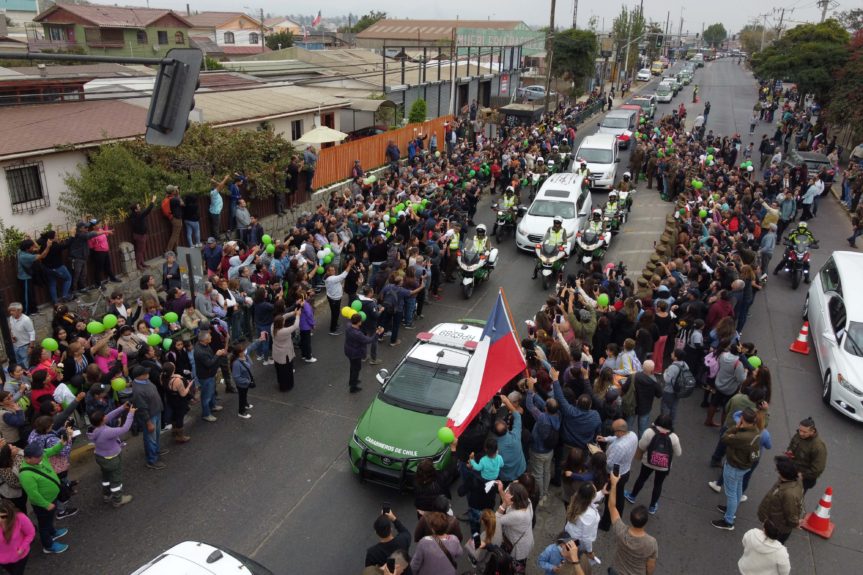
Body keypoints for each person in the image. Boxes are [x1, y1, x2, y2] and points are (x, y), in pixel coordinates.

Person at [713, 408, 762, 531]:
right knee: (737, 490)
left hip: (734, 466)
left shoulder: (742, 436)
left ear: (743, 420)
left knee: (731, 494)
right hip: (744, 466)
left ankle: (728, 521)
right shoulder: (756, 431)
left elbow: (724, 438)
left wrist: (736, 427)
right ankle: (731, 510)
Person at [19, 440, 71, 554]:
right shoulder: (25, 475)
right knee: (44, 525)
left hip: (51, 499)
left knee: (48, 521)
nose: (42, 457)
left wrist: (62, 443)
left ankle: (53, 532)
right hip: (43, 504)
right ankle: (48, 545)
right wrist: (46, 504)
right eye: (38, 457)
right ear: (28, 458)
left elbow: (53, 450)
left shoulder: (40, 457)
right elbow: (33, 494)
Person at [624, 414, 682, 514]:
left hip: (648, 461)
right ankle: (652, 506)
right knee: (658, 484)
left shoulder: (649, 432)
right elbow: (678, 453)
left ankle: (632, 496)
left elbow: (641, 446)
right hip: (664, 466)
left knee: (642, 478)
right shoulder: (674, 437)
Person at [607, 471, 658, 575]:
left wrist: (614, 484)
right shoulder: (651, 543)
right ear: (645, 522)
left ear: (631, 519)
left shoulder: (620, 530)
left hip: (617, 571)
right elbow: (650, 566)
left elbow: (612, 506)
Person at [87, 401, 136, 508]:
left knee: (106, 476)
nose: (106, 416)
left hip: (100, 457)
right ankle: (118, 499)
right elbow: (124, 428)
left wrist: (122, 408)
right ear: (101, 420)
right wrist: (131, 413)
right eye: (104, 416)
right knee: (115, 478)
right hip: (111, 458)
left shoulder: (94, 428)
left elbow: (109, 416)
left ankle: (107, 494)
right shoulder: (106, 432)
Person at [597, 419, 638, 531]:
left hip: (615, 476)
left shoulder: (619, 447)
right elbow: (616, 438)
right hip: (625, 471)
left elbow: (609, 464)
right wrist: (606, 439)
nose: (614, 433)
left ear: (620, 431)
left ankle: (605, 524)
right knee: (619, 496)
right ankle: (617, 516)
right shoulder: (633, 435)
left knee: (610, 498)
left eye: (614, 431)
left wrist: (599, 453)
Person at [525, 377, 560, 503]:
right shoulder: (557, 415)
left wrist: (530, 390)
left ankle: (540, 495)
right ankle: (545, 491)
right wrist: (534, 394)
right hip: (549, 451)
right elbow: (545, 404)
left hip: (538, 451)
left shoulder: (541, 418)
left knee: (538, 474)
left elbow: (529, 406)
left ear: (546, 409)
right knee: (547, 471)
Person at [755, 456, 803, 544]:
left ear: (783, 473)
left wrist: (795, 523)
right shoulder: (790, 480)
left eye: (777, 470)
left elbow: (791, 514)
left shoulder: (789, 494)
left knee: (770, 547)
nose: (776, 471)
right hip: (773, 522)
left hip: (777, 528)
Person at [130, 365, 167, 470]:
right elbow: (142, 409)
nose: (148, 374)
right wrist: (148, 422)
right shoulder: (138, 391)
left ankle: (157, 449)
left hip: (156, 412)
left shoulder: (146, 381)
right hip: (150, 417)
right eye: (145, 373)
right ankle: (152, 460)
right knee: (150, 439)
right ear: (139, 376)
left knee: (156, 434)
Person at [495, 482, 534, 569]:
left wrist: (504, 504)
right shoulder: (527, 501)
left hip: (519, 546)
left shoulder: (517, 515)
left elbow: (496, 520)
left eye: (508, 492)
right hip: (526, 539)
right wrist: (501, 491)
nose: (506, 493)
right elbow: (509, 504)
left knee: (515, 567)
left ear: (514, 498)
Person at [785, 417, 827, 496]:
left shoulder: (818, 447)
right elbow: (791, 445)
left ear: (812, 431)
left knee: (794, 498)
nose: (801, 433)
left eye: (804, 432)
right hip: (791, 472)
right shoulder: (798, 435)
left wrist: (802, 475)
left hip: (803, 480)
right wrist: (789, 451)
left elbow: (817, 469)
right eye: (800, 430)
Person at [564, 482, 601, 565]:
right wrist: (590, 551)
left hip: (570, 535)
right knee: (575, 559)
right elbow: (586, 538)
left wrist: (602, 492)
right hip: (578, 542)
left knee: (567, 553)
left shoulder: (576, 499)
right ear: (590, 498)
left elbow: (591, 498)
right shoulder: (589, 515)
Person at [344, 314, 384, 393]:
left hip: (348, 350)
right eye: (360, 321)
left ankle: (352, 381)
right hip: (355, 353)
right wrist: (377, 333)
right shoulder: (357, 334)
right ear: (358, 322)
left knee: (352, 367)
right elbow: (369, 340)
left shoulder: (348, 326)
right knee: (356, 369)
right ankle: (353, 387)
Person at [493, 394, 527, 483]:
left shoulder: (494, 448)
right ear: (507, 428)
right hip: (521, 472)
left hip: (506, 478)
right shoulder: (516, 436)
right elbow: (518, 416)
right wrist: (507, 402)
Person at [194, 330, 226, 422]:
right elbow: (209, 363)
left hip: (210, 374)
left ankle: (213, 406)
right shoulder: (200, 352)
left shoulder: (203, 345)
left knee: (211, 392)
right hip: (205, 376)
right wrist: (217, 355)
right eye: (209, 338)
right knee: (206, 396)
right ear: (204, 340)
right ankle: (206, 414)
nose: (211, 338)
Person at [0, 498, 35, 574]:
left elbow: (30, 533)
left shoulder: (20, 518)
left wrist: (21, 549)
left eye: (3, 516)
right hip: (2, 560)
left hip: (20, 556)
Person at [272, 306, 302, 392]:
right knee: (286, 371)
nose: (284, 321)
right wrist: (297, 315)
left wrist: (293, 312)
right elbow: (295, 326)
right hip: (284, 355)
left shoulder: (273, 327)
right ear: (281, 323)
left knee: (280, 371)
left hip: (277, 354)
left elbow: (283, 317)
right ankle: (286, 386)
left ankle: (281, 384)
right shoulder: (282, 331)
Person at [162, 362, 193, 443]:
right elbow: (183, 394)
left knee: (174, 416)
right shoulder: (177, 381)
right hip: (179, 402)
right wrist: (189, 385)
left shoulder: (162, 377)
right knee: (180, 417)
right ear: (173, 369)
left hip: (169, 400)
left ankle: (174, 431)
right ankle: (180, 436)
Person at [324, 260, 355, 335]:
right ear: (327, 272)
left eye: (334, 270)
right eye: (332, 270)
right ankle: (333, 330)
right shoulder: (331, 279)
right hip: (335, 299)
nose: (334, 271)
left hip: (333, 297)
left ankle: (334, 325)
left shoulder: (328, 276)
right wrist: (349, 265)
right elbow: (343, 276)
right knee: (335, 314)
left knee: (335, 313)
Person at [230, 342, 254, 419]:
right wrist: (247, 381)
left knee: (244, 395)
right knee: (242, 397)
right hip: (242, 384)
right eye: (243, 351)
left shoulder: (243, 357)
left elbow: (250, 364)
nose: (244, 352)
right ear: (239, 353)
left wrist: (246, 356)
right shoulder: (236, 363)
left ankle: (246, 404)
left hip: (245, 383)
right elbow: (236, 377)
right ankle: (241, 412)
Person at [7, 304, 35, 370]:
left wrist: (31, 347)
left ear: (19, 311)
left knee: (27, 366)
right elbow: (11, 328)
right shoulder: (11, 318)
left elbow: (32, 333)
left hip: (25, 346)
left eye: (13, 310)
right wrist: (11, 337)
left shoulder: (26, 320)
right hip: (16, 346)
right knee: (19, 366)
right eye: (10, 311)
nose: (11, 312)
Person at [209, 175, 231, 239]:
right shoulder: (214, 193)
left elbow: (220, 186)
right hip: (215, 212)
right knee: (216, 225)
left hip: (215, 211)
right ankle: (217, 237)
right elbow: (220, 185)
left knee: (216, 225)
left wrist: (213, 181)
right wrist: (225, 178)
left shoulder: (214, 192)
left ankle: (216, 235)